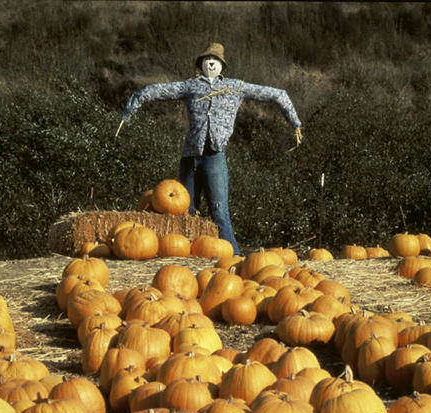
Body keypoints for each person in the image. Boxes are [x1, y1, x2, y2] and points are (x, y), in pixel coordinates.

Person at [116, 42, 302, 256]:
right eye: (207, 61)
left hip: (215, 156)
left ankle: (234, 256)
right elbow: (154, 91)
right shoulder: (191, 86)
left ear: (222, 65)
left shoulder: (235, 87)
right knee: (185, 211)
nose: (211, 65)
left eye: (215, 61)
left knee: (219, 210)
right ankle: (186, 254)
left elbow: (278, 94)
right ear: (201, 64)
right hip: (190, 157)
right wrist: (128, 113)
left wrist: (295, 122)